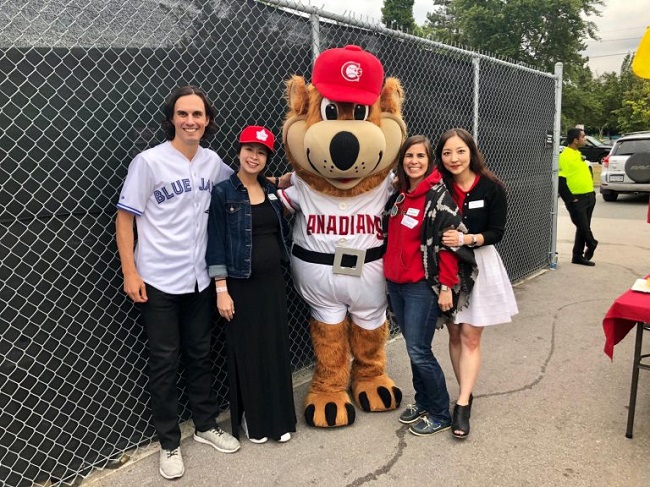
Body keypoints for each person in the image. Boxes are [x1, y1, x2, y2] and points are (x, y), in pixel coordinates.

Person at [115, 85, 240, 480]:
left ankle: (205, 426)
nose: (191, 121)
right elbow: (125, 218)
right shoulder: (149, 162)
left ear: (208, 121)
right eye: (183, 114)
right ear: (172, 118)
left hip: (199, 280)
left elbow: (243, 183)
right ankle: (169, 442)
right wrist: (129, 271)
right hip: (158, 280)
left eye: (198, 115)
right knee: (165, 362)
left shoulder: (212, 161)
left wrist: (289, 180)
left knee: (201, 355)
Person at [206, 125, 296, 445]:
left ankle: (279, 418)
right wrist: (221, 290)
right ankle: (254, 420)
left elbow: (280, 230)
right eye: (249, 150)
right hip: (240, 286)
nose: (253, 157)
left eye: (261, 152)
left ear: (266, 158)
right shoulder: (223, 192)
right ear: (240, 151)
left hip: (272, 284)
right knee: (248, 353)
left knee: (273, 350)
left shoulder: (270, 191)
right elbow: (215, 242)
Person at [383, 135, 476, 437]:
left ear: (429, 161)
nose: (414, 162)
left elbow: (449, 246)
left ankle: (439, 412)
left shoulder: (438, 198)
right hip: (396, 284)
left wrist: (447, 287)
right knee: (414, 350)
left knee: (419, 350)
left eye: (420, 156)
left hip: (421, 286)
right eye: (409, 156)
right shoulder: (398, 197)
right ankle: (423, 400)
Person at [438, 128, 518, 439]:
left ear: (471, 152)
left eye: (460, 151)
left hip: (479, 264)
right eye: (447, 153)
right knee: (455, 332)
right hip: (446, 267)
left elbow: (498, 232)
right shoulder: (439, 187)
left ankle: (461, 405)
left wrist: (468, 238)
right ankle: (465, 392)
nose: (454, 158)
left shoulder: (492, 188)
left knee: (471, 336)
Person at [558, 127, 598, 266]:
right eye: (583, 136)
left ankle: (577, 256)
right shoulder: (565, 156)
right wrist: (571, 199)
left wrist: (592, 194)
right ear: (575, 140)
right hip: (577, 199)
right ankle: (592, 243)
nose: (585, 138)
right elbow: (561, 181)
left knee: (583, 227)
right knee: (583, 227)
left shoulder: (578, 153)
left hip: (589, 196)